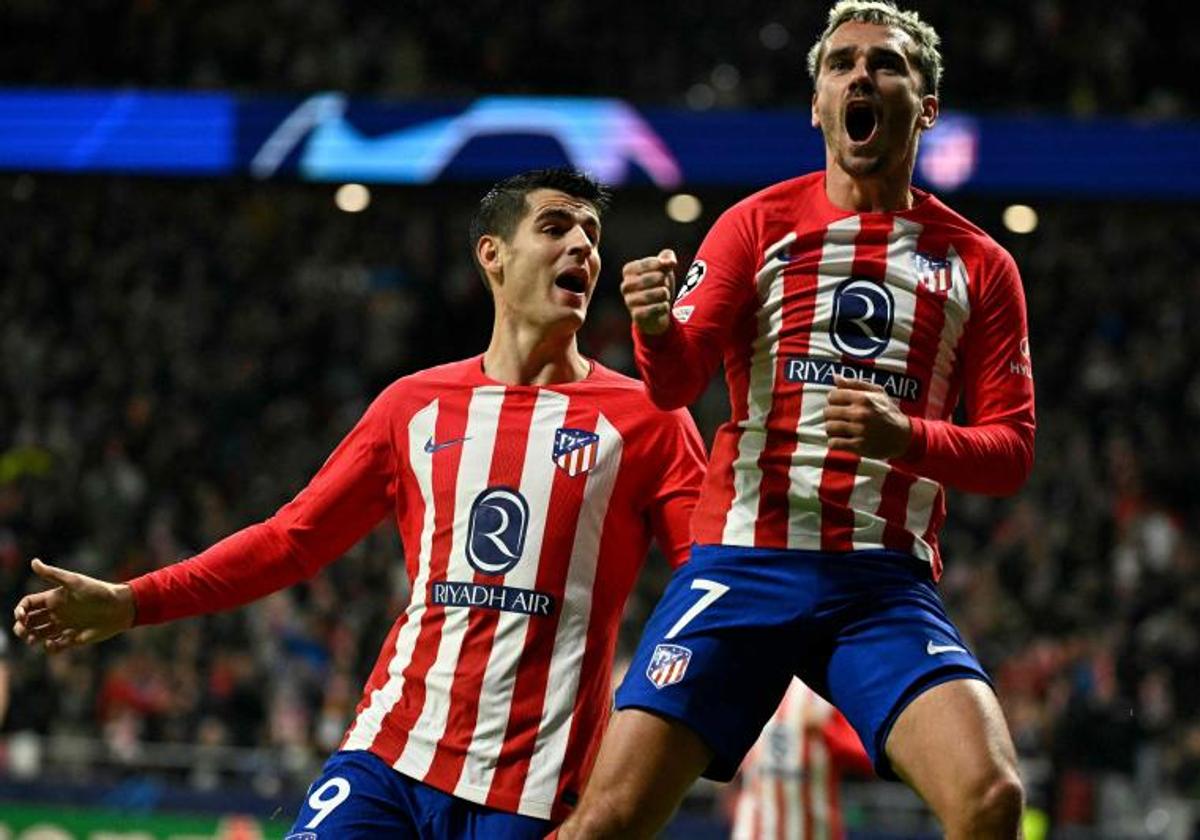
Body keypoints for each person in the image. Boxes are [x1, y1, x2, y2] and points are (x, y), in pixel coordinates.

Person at [11, 167, 707, 839]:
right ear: (491, 255)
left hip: (534, 790)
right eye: (555, 227)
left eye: (590, 233)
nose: (581, 246)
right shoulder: (411, 407)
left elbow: (709, 585)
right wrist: (136, 602)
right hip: (391, 757)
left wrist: (635, 766)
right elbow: (291, 541)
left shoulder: (648, 417)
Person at [557, 2, 1035, 838]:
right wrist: (655, 326)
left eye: (885, 64)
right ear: (816, 103)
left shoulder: (978, 266)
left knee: (992, 799)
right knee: (607, 822)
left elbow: (1011, 452)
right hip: (746, 565)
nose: (860, 76)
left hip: (881, 585)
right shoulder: (757, 224)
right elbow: (674, 383)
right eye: (840, 64)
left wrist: (906, 438)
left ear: (924, 107)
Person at [729, 678, 873, 840]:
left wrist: (827, 730)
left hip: (816, 830)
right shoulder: (752, 681)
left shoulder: (831, 688)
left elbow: (868, 757)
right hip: (754, 830)